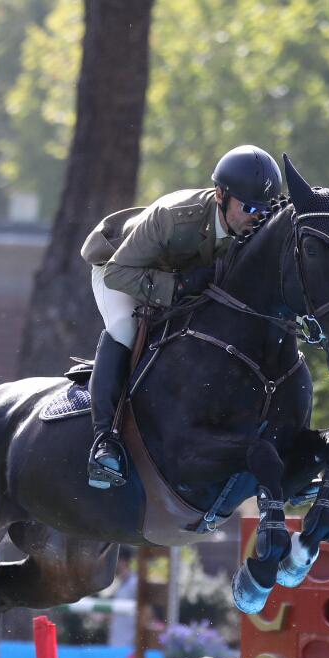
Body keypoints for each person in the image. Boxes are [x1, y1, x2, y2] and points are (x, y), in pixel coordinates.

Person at [79, 145, 284, 489]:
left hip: (168, 273)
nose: (256, 218)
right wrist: (178, 286)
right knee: (125, 327)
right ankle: (105, 440)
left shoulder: (252, 228)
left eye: (263, 212)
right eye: (249, 208)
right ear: (221, 195)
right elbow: (119, 274)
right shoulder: (175, 217)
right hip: (122, 267)